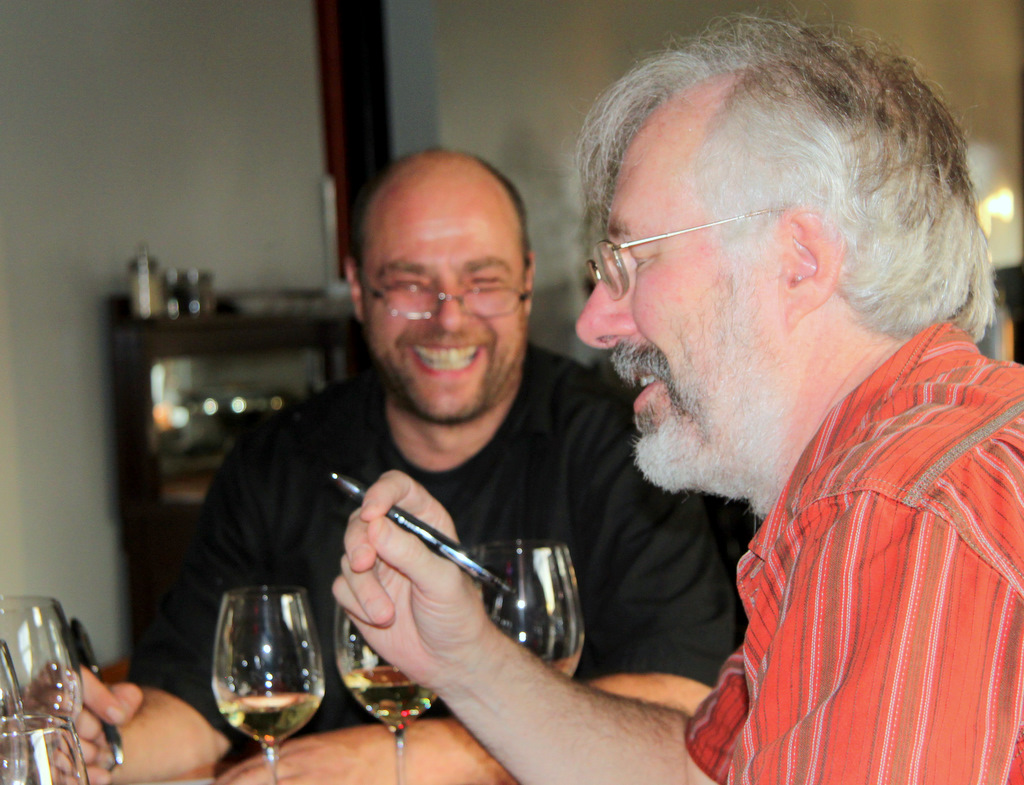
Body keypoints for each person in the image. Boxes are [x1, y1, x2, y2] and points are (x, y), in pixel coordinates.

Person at [334, 15, 1024, 785]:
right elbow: (699, 774)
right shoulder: (869, 485)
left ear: (799, 260)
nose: (595, 323)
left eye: (632, 260)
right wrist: (461, 657)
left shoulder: (897, 505)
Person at [80, 150, 736, 784]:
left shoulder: (630, 452)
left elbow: (683, 706)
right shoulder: (275, 460)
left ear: (527, 283)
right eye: (409, 285)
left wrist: (410, 756)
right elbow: (196, 700)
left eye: (482, 281)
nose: (448, 318)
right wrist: (94, 746)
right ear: (359, 289)